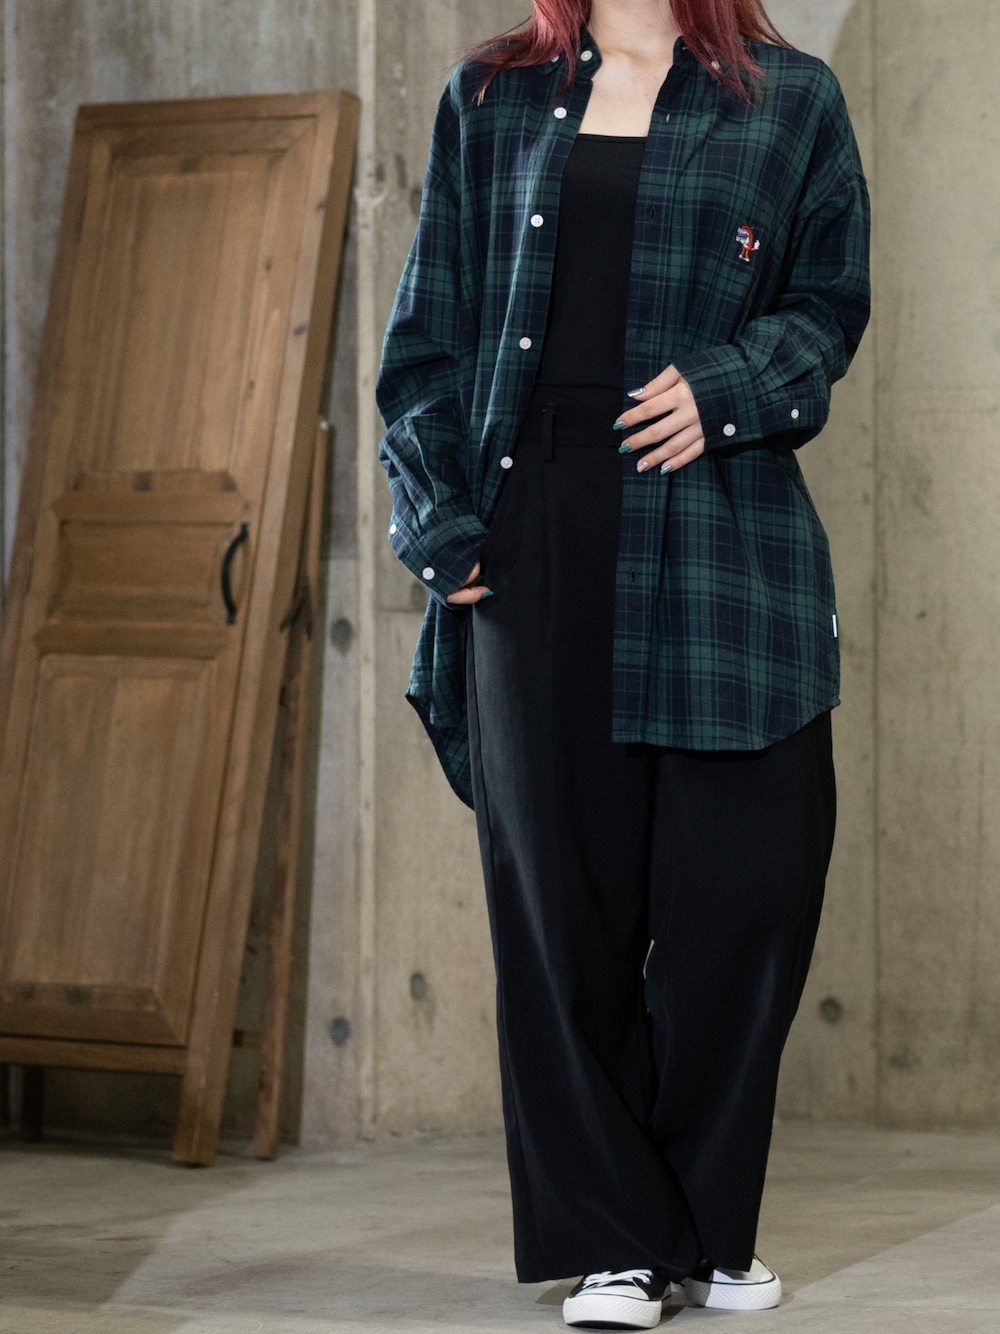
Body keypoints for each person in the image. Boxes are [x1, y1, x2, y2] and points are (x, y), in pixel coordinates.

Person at [377, 0, 870, 1327]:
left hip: (723, 534)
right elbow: (426, 343)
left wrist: (731, 385)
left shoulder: (791, 100)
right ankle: (616, 1240)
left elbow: (828, 307)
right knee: (565, 912)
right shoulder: (490, 99)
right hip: (535, 542)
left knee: (743, 897)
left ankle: (701, 1225)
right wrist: (438, 519)